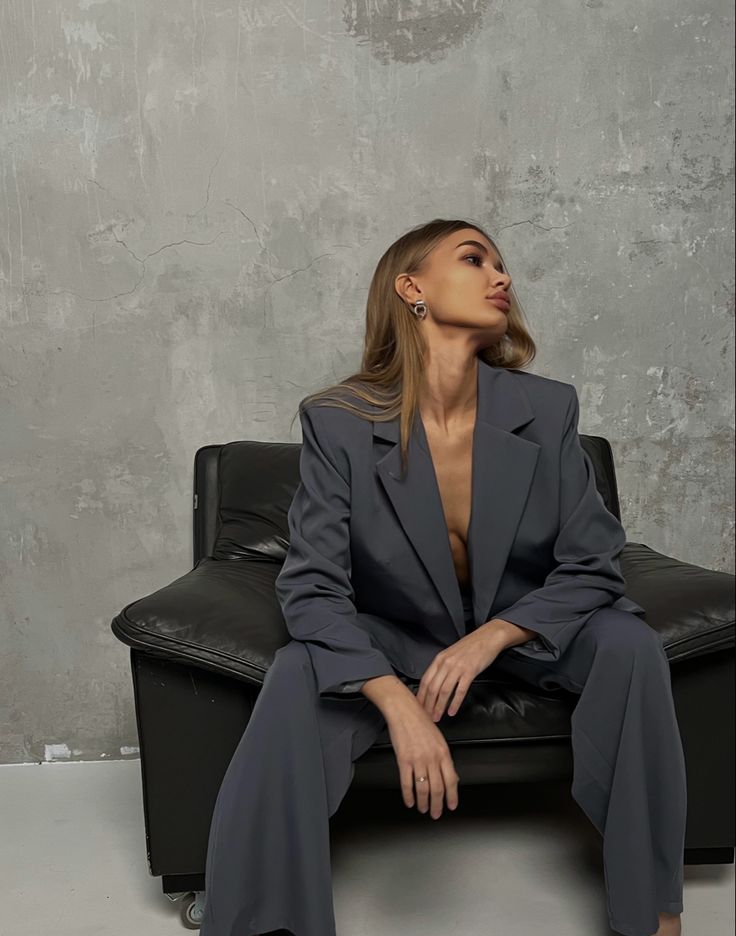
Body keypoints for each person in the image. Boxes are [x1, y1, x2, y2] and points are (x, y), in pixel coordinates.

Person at [199, 218, 686, 936]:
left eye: (500, 263)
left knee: (630, 644)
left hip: (522, 632)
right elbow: (311, 588)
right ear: (412, 288)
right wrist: (397, 705)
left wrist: (491, 637)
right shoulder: (336, 422)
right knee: (297, 669)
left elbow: (592, 562)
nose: (501, 276)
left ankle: (654, 914)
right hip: (396, 636)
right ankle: (266, 924)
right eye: (474, 258)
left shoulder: (547, 410)